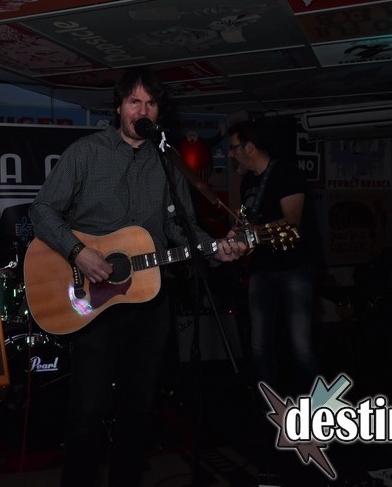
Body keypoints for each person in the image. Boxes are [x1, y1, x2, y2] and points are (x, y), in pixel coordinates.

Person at [28, 67, 246, 487]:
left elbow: (180, 226)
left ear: (158, 112)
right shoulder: (86, 153)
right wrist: (78, 252)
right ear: (119, 108)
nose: (142, 111)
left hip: (149, 300)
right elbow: (42, 211)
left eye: (150, 103)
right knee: (89, 409)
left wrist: (215, 248)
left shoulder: (167, 162)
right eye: (134, 102)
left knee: (139, 407)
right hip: (93, 300)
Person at [226, 120, 318, 395]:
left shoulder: (286, 174)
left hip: (294, 268)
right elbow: (247, 224)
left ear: (249, 147)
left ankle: (312, 406)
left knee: (300, 346)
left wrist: (252, 234)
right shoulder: (248, 182)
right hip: (261, 269)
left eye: (233, 148)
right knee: (259, 345)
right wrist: (236, 236)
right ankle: (270, 404)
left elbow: (291, 224)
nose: (230, 154)